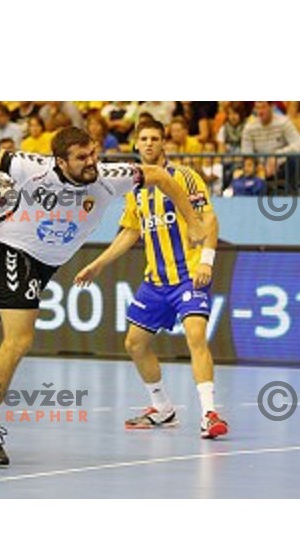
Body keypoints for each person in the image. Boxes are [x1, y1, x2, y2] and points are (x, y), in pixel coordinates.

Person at [0, 126, 206, 465]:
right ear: (60, 161)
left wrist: (193, 220)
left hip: (47, 263)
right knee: (18, 340)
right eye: (82, 158)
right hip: (14, 248)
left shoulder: (108, 176)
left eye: (93, 152)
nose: (92, 161)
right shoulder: (31, 166)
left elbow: (159, 176)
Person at [74, 120, 228, 438]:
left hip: (189, 274)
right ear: (135, 144)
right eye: (143, 139)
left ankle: (210, 414)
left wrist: (208, 262)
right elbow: (131, 231)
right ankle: (162, 408)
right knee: (134, 343)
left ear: (164, 144)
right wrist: (99, 264)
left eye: (155, 138)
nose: (148, 144)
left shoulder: (184, 177)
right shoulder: (136, 188)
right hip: (156, 281)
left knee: (196, 337)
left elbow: (209, 219)